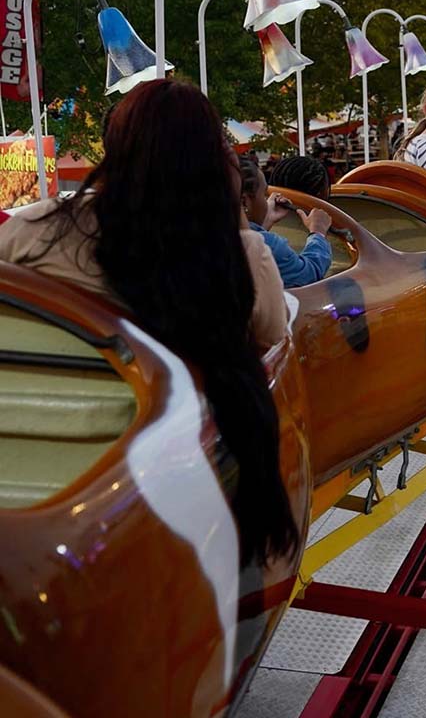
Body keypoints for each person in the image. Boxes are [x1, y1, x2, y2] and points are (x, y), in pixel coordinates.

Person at [0, 79, 298, 566]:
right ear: (211, 159)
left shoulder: (35, 230)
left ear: (116, 146)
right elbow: (270, 337)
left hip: (27, 454)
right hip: (166, 477)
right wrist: (235, 217)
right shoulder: (236, 253)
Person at [240, 155, 333, 288]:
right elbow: (308, 274)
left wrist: (264, 223)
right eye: (264, 193)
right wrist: (318, 233)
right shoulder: (268, 244)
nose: (267, 200)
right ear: (245, 202)